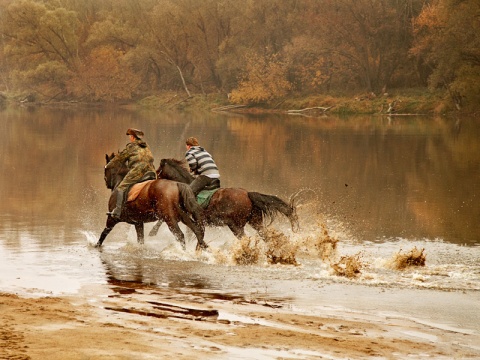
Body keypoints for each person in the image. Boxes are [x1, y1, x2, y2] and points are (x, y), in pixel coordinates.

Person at [106, 128, 156, 219]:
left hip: (138, 171)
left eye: (130, 136)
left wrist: (108, 166)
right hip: (151, 171)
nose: (129, 138)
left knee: (121, 187)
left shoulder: (131, 146)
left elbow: (119, 158)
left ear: (133, 137)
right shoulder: (146, 146)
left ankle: (117, 211)